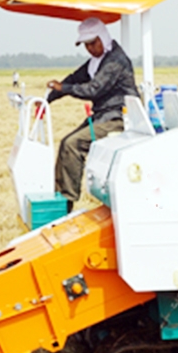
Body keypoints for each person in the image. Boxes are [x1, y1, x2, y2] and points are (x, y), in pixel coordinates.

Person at [46, 17, 139, 209]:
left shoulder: (115, 61)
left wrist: (63, 88)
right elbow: (74, 78)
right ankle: (59, 198)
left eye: (92, 42)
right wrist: (48, 99)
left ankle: (65, 203)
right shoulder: (96, 61)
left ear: (103, 37)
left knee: (72, 144)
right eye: (86, 45)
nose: (89, 48)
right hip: (103, 116)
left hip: (119, 117)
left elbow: (93, 89)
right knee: (66, 143)